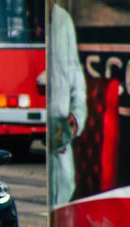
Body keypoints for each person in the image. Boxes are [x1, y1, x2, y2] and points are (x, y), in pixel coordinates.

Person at [47, 0, 87, 207]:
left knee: (65, 182)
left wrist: (77, 115)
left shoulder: (64, 19)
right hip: (42, 124)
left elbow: (75, 73)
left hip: (60, 132)